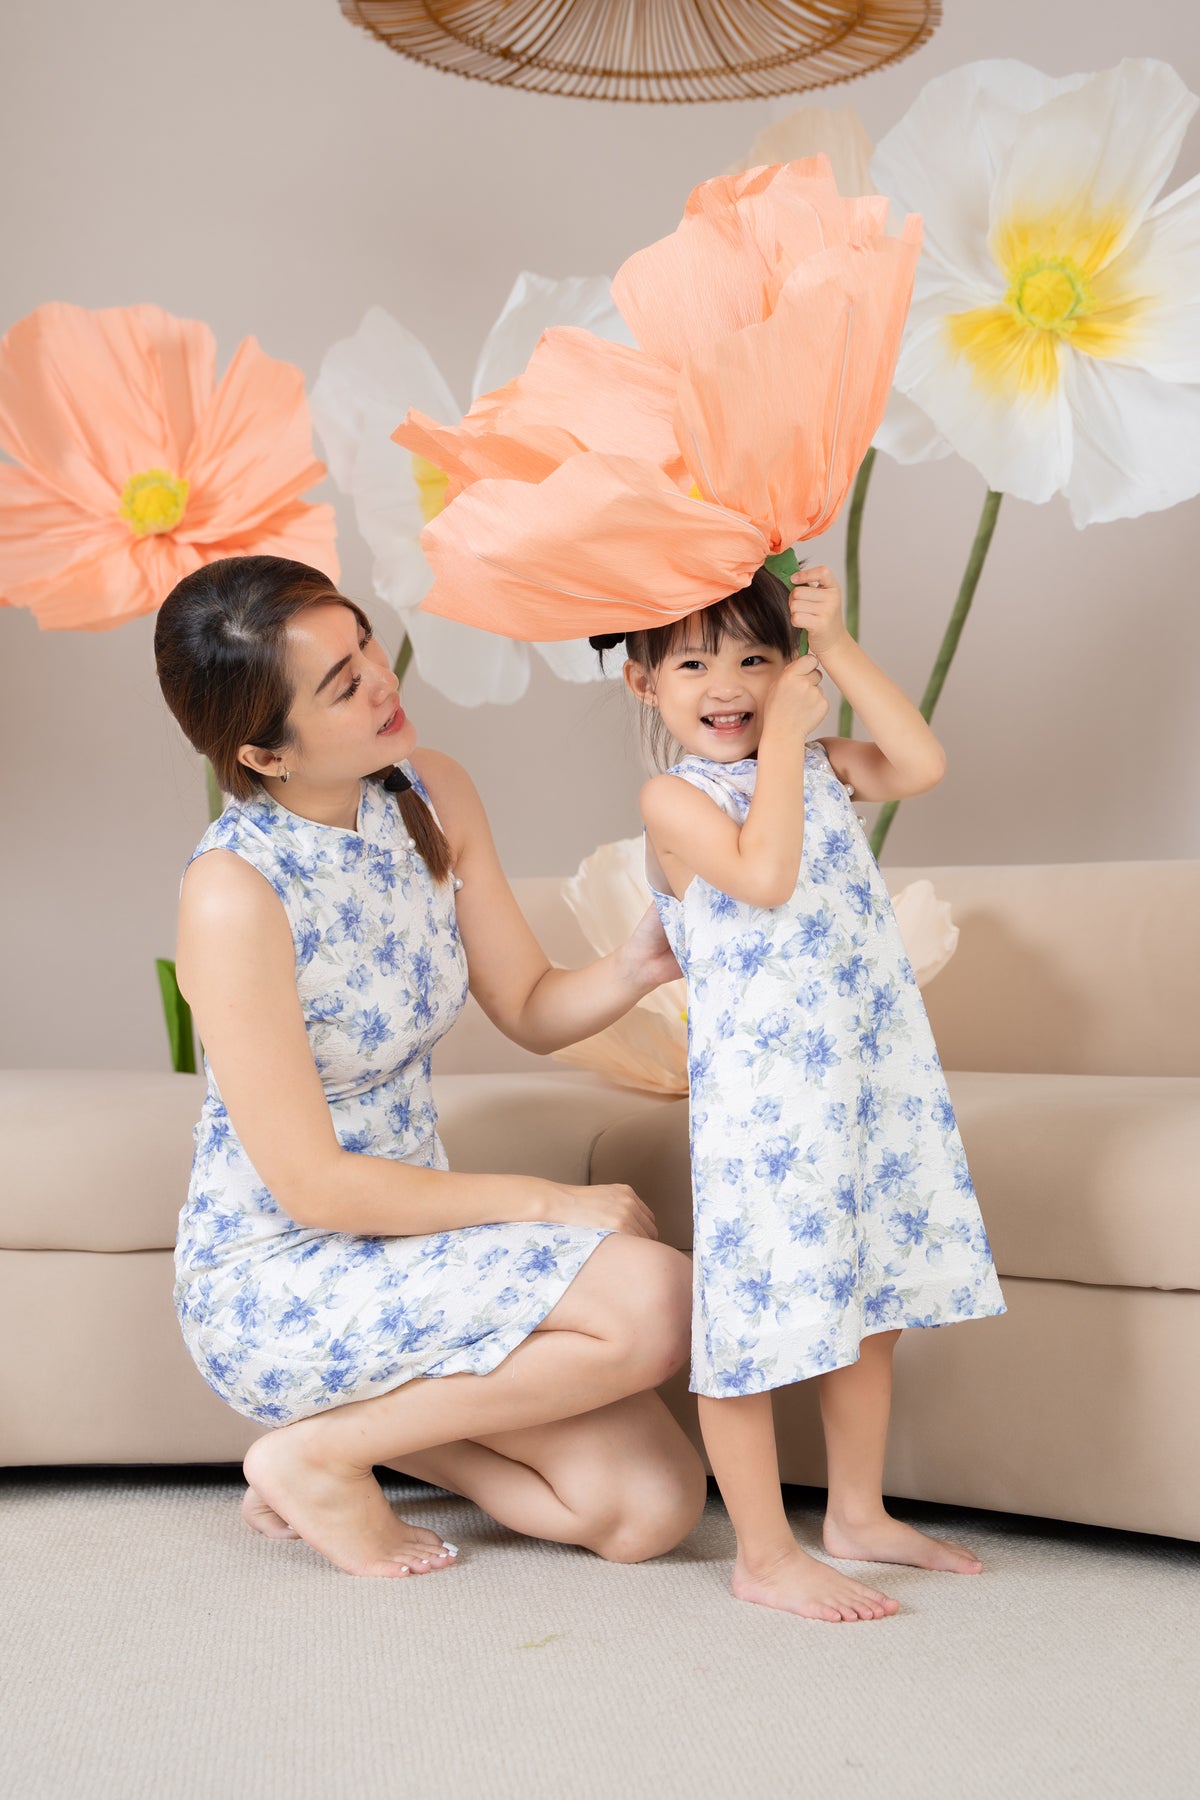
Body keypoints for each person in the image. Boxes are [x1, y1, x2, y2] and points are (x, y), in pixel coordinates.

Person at [153, 554, 707, 1582]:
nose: (381, 679)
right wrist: (545, 1204)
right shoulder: (234, 895)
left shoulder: (431, 790)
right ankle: (318, 1454)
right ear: (263, 755)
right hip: (284, 1276)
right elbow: (312, 1188)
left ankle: (328, 1446)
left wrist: (637, 963)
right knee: (658, 1301)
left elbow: (532, 1007)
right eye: (340, 684)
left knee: (649, 1510)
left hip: (416, 1250)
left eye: (363, 644)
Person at [598, 562, 1006, 1623]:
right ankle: (764, 1554)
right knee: (756, 1323)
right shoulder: (674, 797)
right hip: (768, 1106)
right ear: (646, 684)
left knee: (872, 1303)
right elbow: (765, 873)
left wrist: (842, 649)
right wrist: (783, 739)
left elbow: (918, 761)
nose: (727, 681)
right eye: (693, 661)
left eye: (754, 657)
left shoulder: (820, 758)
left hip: (867, 1073)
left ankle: (858, 1513)